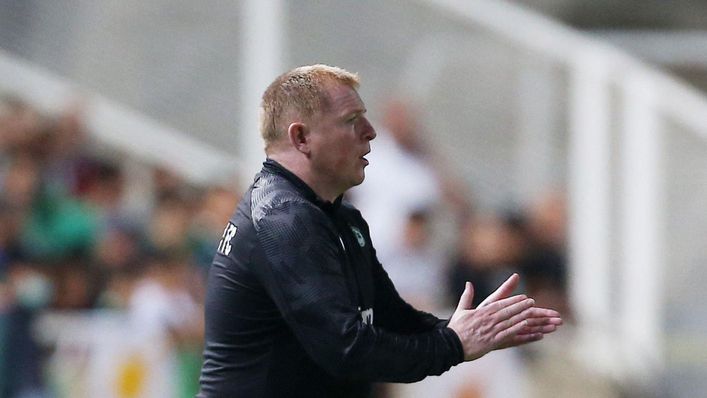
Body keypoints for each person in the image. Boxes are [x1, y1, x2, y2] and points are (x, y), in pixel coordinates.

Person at [197, 64, 562, 397]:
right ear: (302, 138)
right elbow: (347, 349)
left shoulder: (340, 218)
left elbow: (391, 320)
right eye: (352, 120)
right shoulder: (284, 219)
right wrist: (454, 344)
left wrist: (470, 328)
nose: (370, 133)